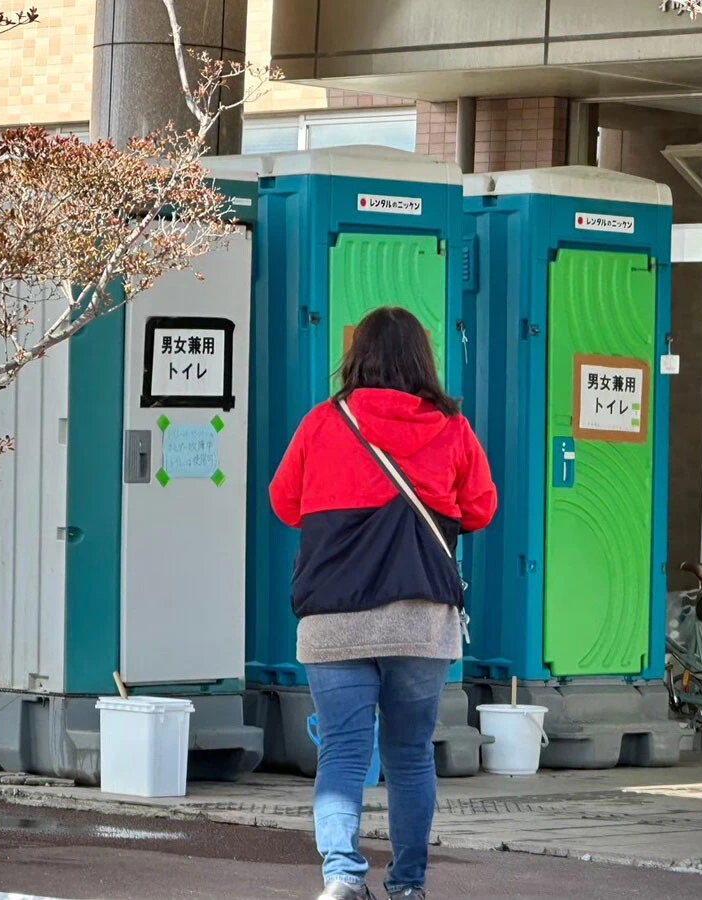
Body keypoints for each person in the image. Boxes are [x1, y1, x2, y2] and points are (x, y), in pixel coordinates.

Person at [270, 307, 497, 900]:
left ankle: (343, 879)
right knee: (410, 754)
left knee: (343, 752)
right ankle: (407, 886)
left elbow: (284, 503)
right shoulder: (452, 429)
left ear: (357, 356)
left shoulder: (323, 423)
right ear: (423, 358)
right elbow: (481, 510)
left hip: (334, 619)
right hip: (419, 621)